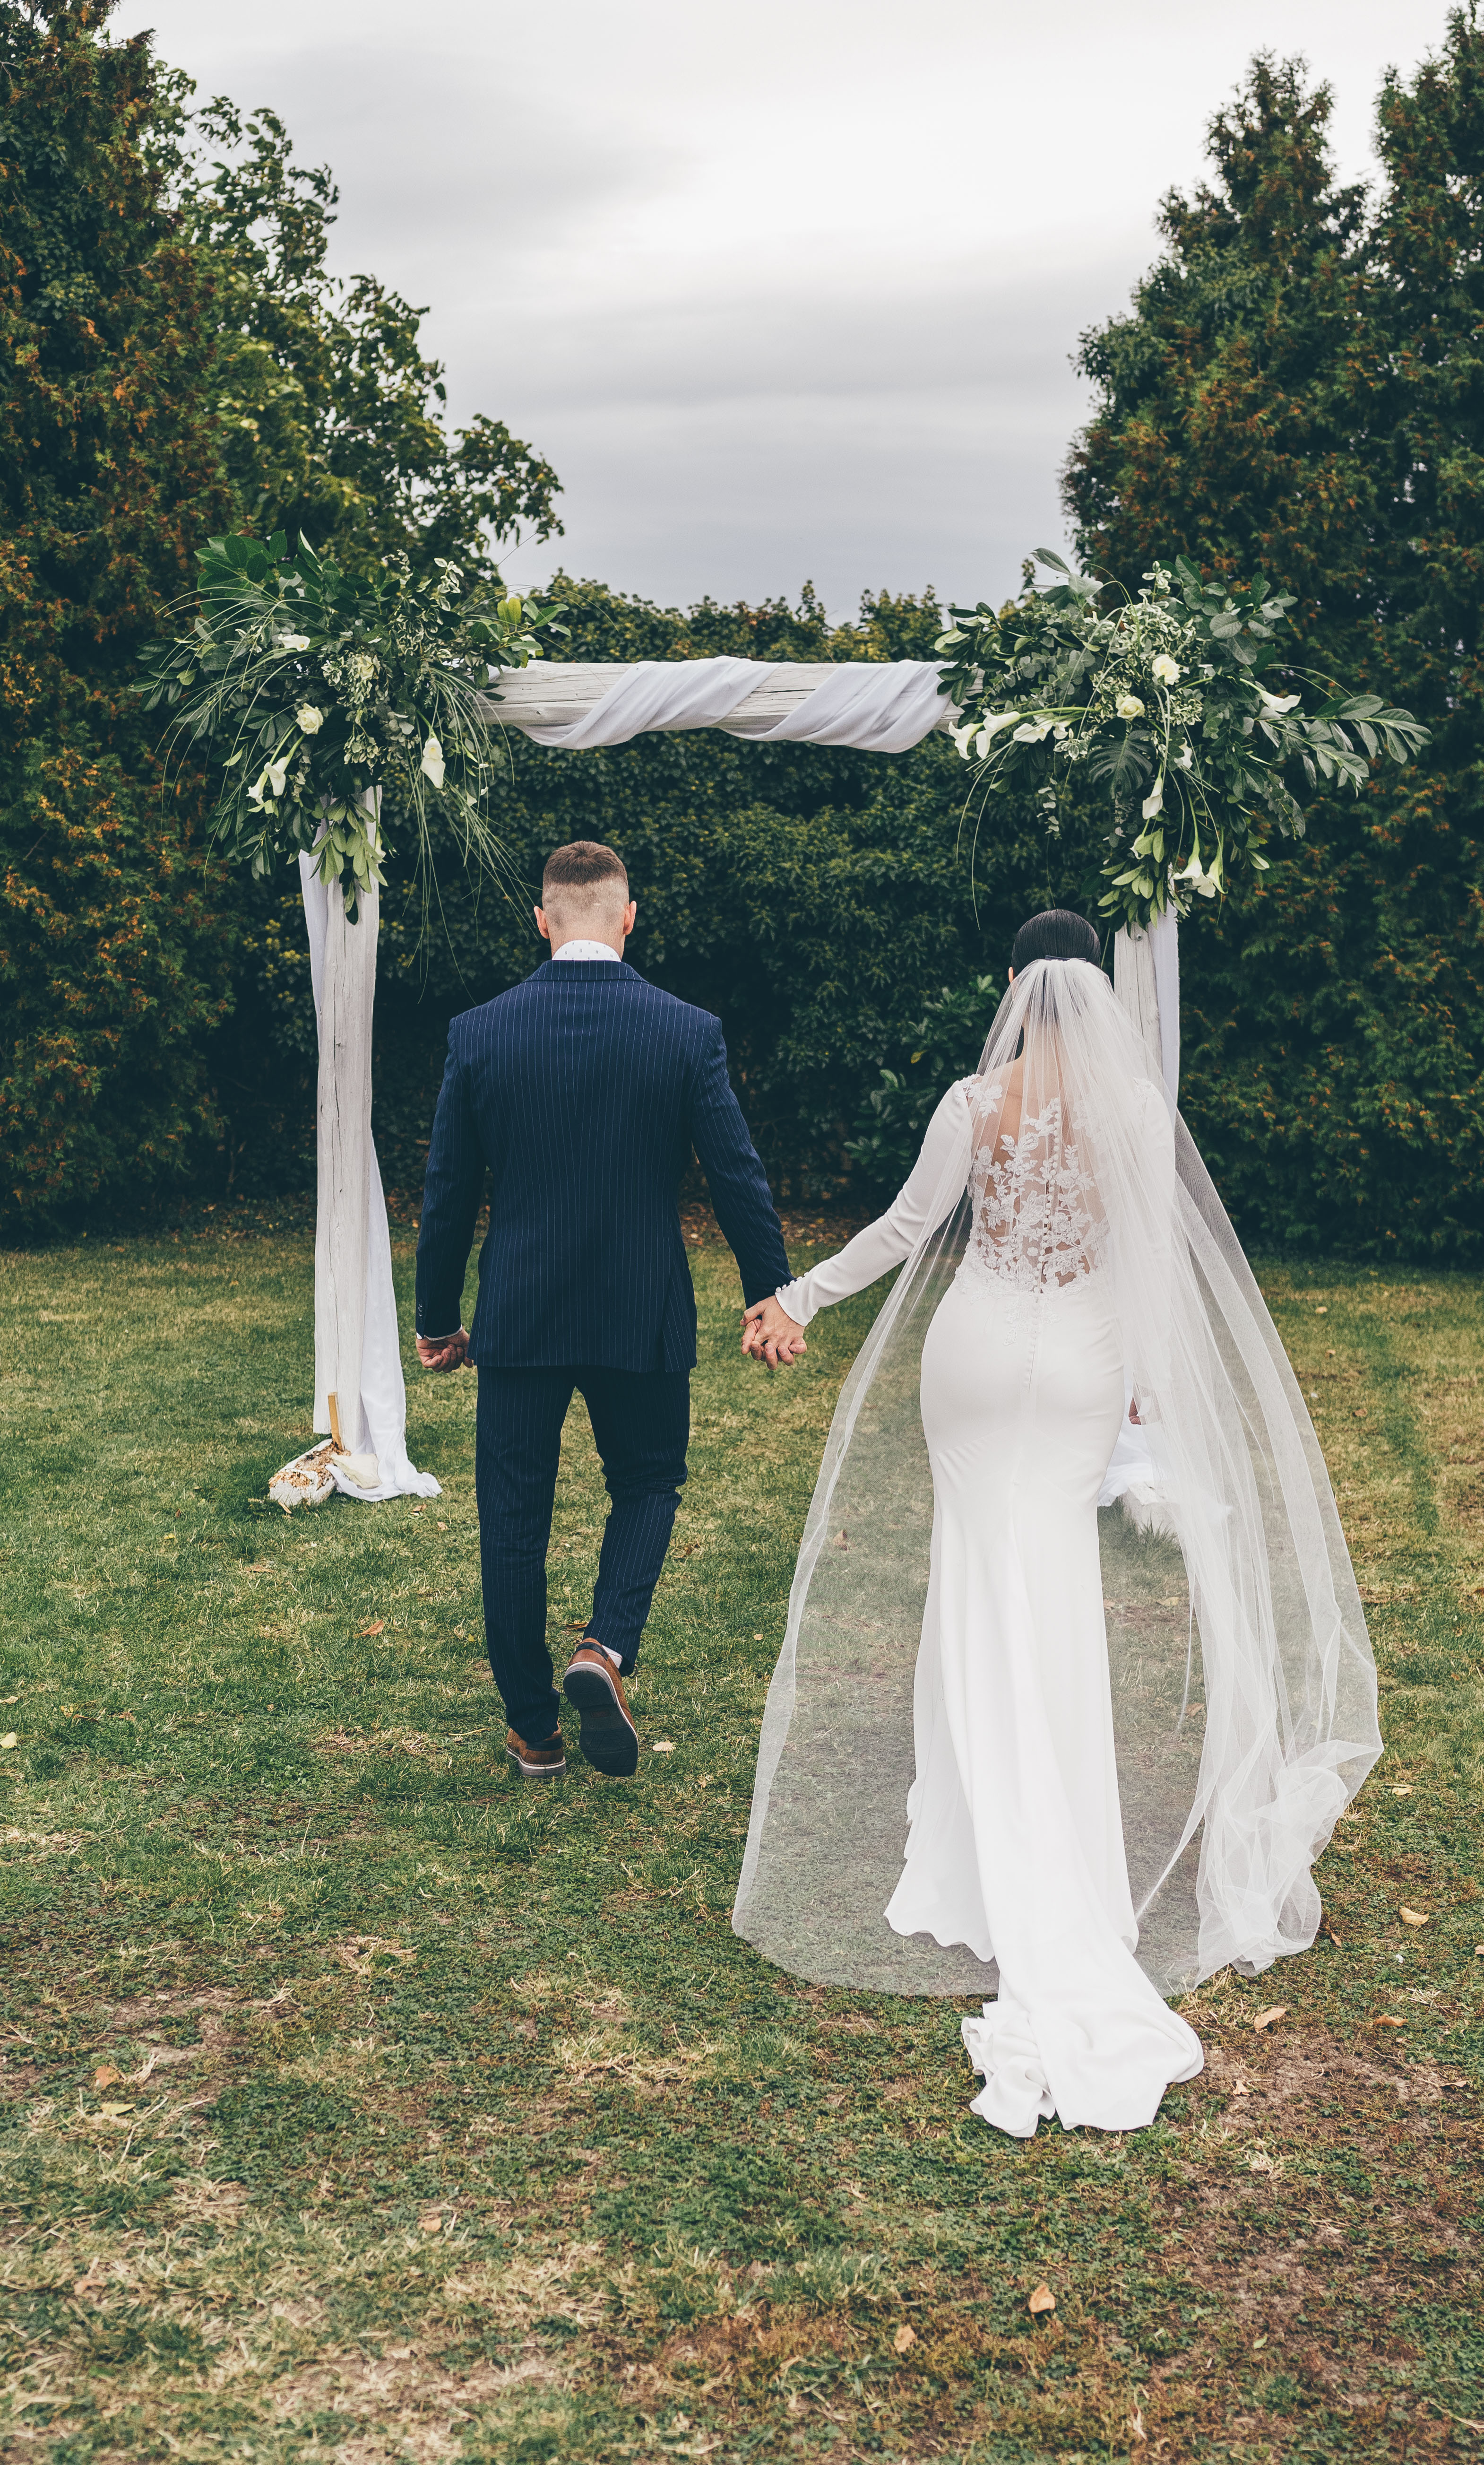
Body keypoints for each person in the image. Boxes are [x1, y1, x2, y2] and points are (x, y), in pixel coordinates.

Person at [733, 908, 1380, 2138]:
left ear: (1011, 985)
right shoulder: (1133, 1110)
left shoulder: (974, 1101)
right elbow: (1150, 1258)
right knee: (1055, 1585)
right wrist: (1148, 1383)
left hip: (976, 1355)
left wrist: (799, 1297)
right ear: (1096, 992)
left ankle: (970, 1846)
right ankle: (1054, 1836)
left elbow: (906, 1227)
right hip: (1081, 1358)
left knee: (973, 1577)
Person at [414, 840, 801, 1782]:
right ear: (628, 917)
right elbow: (738, 1175)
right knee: (649, 1481)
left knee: (513, 1518)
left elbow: (448, 1192)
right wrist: (771, 1289)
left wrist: (437, 1316)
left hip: (521, 1313)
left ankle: (534, 1732)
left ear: (542, 921)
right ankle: (605, 1644)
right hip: (641, 1305)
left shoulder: (480, 1032)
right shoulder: (686, 1031)